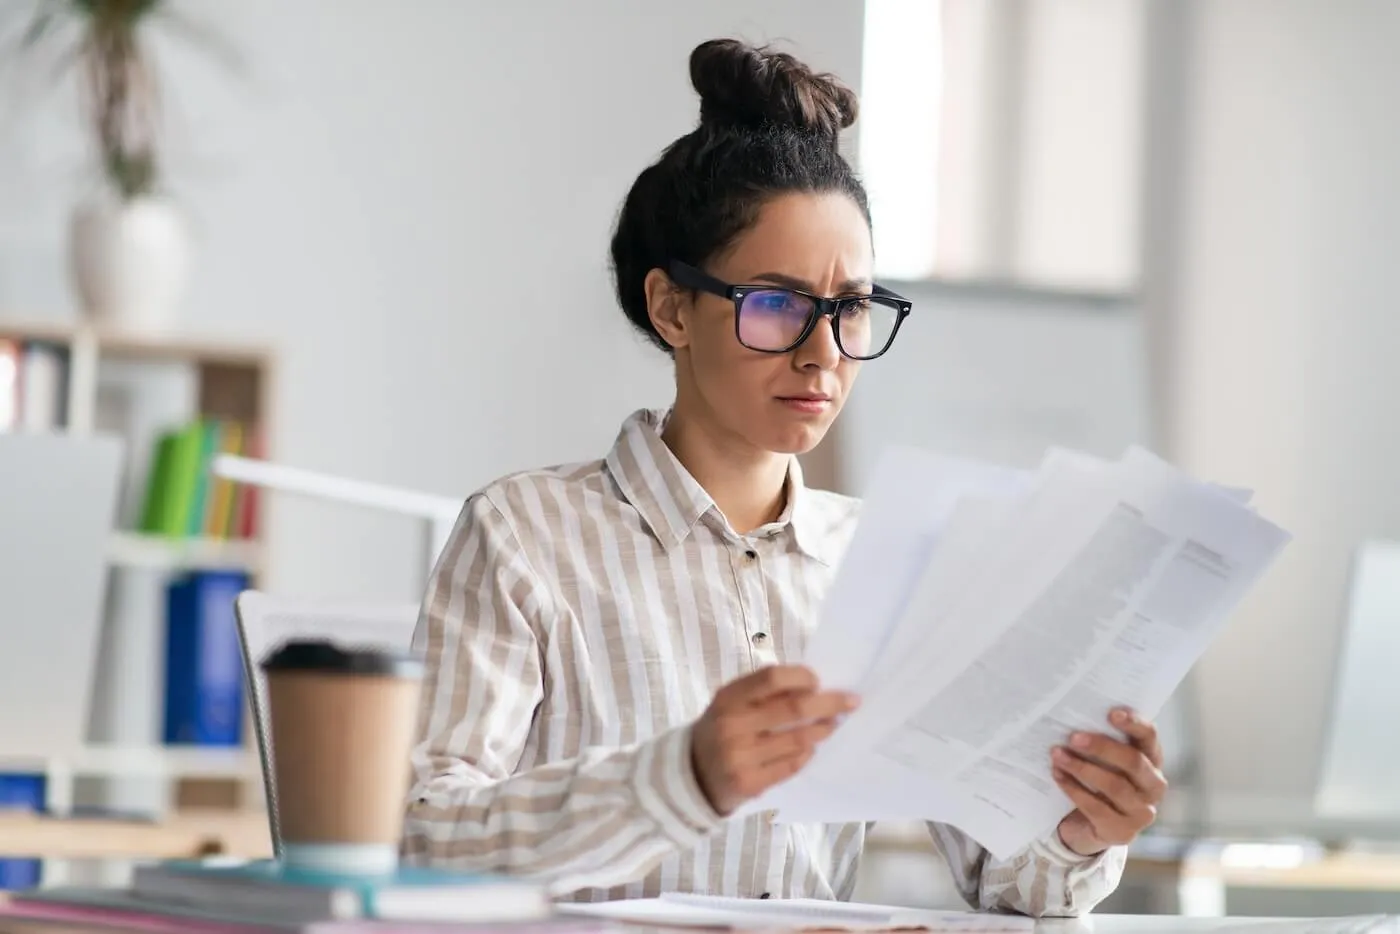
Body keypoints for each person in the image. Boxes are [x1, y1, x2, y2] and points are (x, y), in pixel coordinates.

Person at [400, 37, 1166, 916]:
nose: (823, 354)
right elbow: (422, 837)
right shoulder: (523, 534)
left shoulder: (887, 559)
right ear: (671, 306)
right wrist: (679, 777)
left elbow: (1005, 880)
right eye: (776, 304)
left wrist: (1077, 830)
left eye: (850, 309)